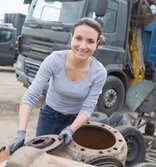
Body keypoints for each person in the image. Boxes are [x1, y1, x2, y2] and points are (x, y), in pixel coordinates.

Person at [8, 17, 107, 154]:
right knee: (41, 156)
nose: (83, 46)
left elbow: (88, 108)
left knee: (67, 159)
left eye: (90, 41)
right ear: (71, 37)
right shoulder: (54, 60)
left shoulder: (99, 72)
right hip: (50, 116)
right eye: (78, 38)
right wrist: (20, 133)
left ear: (97, 44)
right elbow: (31, 96)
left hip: (76, 121)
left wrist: (71, 129)